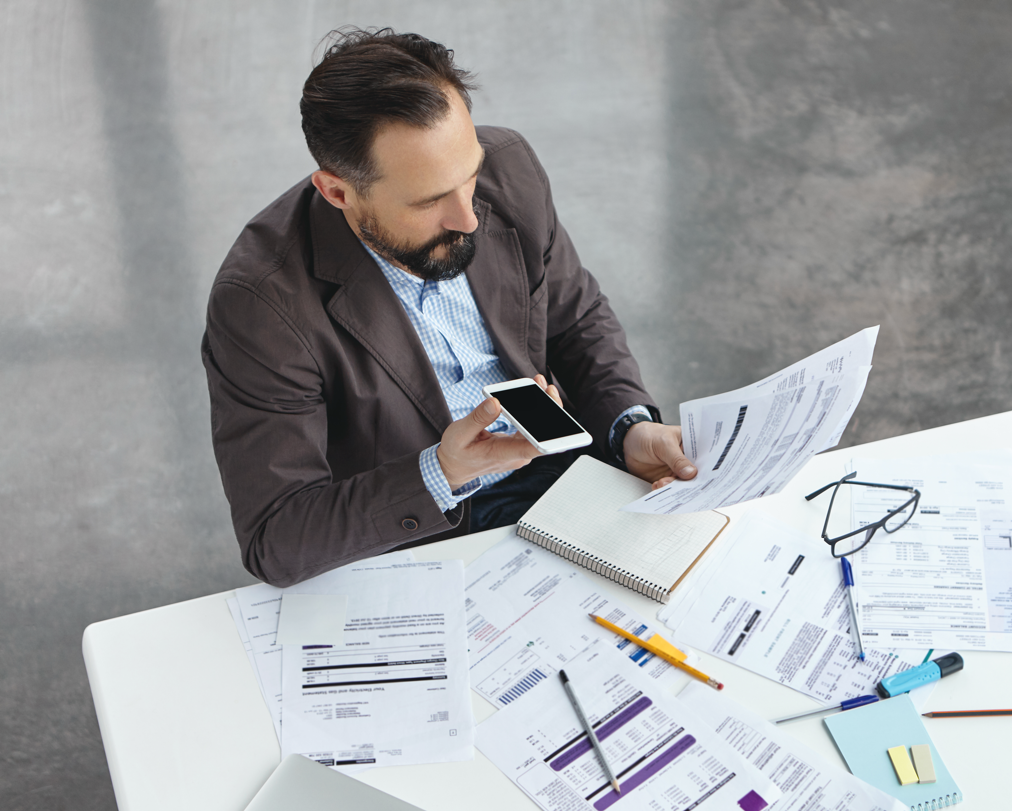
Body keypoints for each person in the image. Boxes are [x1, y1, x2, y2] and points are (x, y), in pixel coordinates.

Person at [202, 28, 695, 587]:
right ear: (338, 192)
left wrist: (628, 427)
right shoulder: (261, 304)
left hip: (565, 474)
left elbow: (576, 320)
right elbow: (277, 538)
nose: (469, 219)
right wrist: (441, 472)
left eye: (469, 176)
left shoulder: (510, 169)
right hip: (420, 530)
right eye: (430, 200)